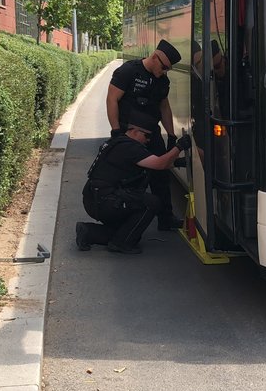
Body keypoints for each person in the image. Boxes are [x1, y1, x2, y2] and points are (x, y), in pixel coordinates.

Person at [76, 115, 192, 254]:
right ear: (135, 131)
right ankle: (121, 244)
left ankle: (89, 232)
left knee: (129, 232)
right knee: (151, 202)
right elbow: (159, 163)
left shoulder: (118, 142)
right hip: (105, 201)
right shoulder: (130, 148)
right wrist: (179, 147)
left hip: (95, 198)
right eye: (147, 136)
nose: (148, 140)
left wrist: (178, 162)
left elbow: (152, 164)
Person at [106, 39, 184, 230]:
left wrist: (171, 135)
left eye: (168, 69)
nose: (165, 72)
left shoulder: (162, 81)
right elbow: (112, 99)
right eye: (164, 67)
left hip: (151, 133)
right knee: (127, 177)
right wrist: (116, 131)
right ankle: (121, 219)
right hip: (127, 133)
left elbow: (164, 107)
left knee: (161, 174)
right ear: (155, 57)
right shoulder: (128, 72)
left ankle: (165, 218)